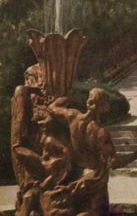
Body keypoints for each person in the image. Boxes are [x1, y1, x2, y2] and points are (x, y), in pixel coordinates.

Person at [48, 87, 115, 216]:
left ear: (88, 102)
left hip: (76, 172)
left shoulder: (73, 116)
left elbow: (52, 108)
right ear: (103, 108)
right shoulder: (100, 132)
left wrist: (68, 96)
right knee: (98, 211)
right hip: (94, 176)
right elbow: (115, 160)